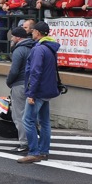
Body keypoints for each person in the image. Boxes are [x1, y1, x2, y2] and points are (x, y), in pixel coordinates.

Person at [17, 21, 60, 164]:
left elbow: (35, 72)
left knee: (28, 120)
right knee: (45, 122)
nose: (32, 33)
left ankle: (34, 152)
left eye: (33, 31)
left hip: (38, 90)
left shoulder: (38, 49)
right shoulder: (50, 47)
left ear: (38, 33)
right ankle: (44, 151)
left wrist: (31, 93)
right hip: (48, 89)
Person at [5, 27, 32, 153]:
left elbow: (14, 70)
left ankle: (24, 143)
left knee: (19, 115)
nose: (11, 38)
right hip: (32, 85)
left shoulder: (19, 50)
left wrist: (9, 81)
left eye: (12, 36)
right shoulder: (33, 47)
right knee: (30, 115)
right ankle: (33, 141)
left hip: (20, 85)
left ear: (18, 37)